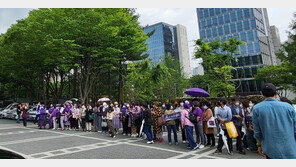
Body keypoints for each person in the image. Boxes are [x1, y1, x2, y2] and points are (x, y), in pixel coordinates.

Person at [252, 83, 296, 159]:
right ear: (276, 93)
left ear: (262, 94)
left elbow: (257, 132)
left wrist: (259, 146)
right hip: (290, 149)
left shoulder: (256, 109)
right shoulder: (288, 107)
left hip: (271, 150)